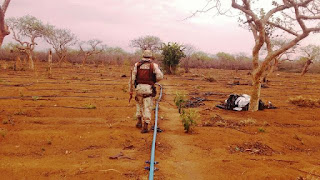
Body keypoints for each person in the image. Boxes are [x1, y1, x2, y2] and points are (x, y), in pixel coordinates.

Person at [129, 50, 163, 133]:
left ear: (143, 56)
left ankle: (139, 121)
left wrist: (131, 90)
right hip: (148, 89)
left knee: (139, 104)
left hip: (139, 88)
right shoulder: (153, 65)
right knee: (147, 107)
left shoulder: (137, 65)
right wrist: (153, 81)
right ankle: (145, 126)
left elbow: (132, 79)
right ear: (150, 57)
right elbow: (160, 76)